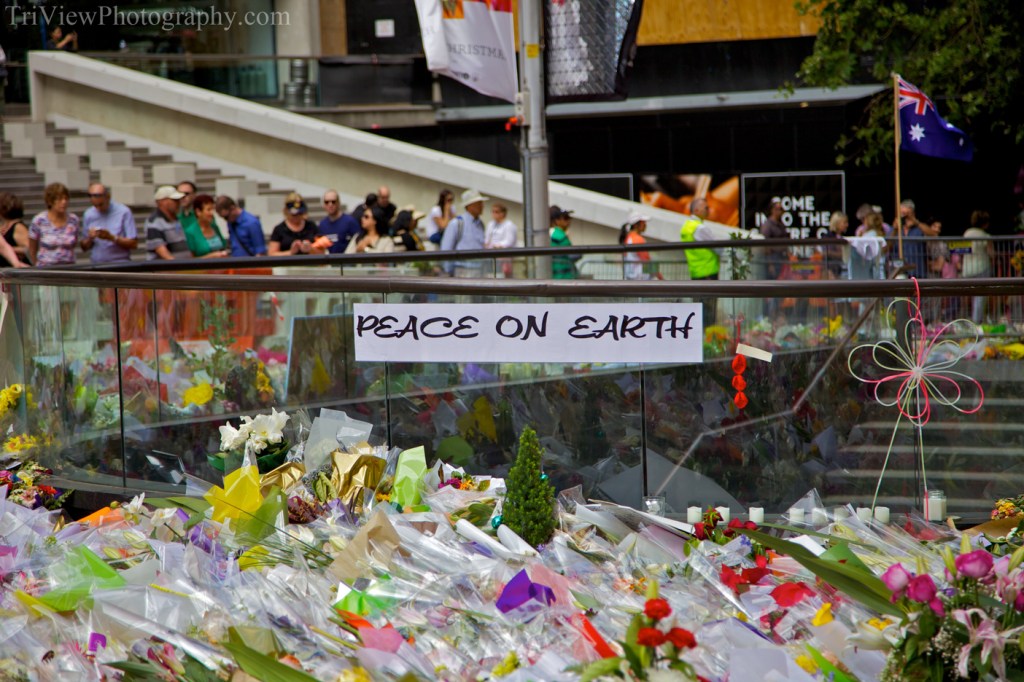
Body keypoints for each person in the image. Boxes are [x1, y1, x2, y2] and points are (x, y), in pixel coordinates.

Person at [80, 183, 138, 263]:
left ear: (107, 197)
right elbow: (84, 247)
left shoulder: (124, 212)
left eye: (101, 204)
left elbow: (133, 244)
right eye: (95, 206)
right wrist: (90, 238)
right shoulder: (88, 214)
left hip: (120, 263)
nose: (98, 208)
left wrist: (111, 237)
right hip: (97, 264)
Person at [28, 182, 80, 266]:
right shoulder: (39, 220)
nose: (64, 202)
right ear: (50, 201)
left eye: (66, 199)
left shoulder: (73, 220)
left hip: (69, 267)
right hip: (46, 268)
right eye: (59, 199)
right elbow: (32, 248)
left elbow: (74, 243)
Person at [440, 189, 488, 276]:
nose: (482, 206)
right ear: (470, 206)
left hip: (479, 270)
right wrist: (448, 272)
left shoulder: (481, 224)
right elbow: (446, 249)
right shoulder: (457, 223)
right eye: (479, 203)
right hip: (462, 270)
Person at [963, 210, 995, 323]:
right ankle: (976, 321)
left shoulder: (967, 233)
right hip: (982, 267)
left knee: (971, 296)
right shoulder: (985, 236)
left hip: (967, 268)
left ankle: (972, 320)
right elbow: (991, 253)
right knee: (980, 296)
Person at [146, 185, 190, 260]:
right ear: (162, 202)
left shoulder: (176, 219)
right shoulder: (154, 222)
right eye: (175, 200)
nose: (178, 203)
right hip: (167, 269)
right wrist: (178, 266)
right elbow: (162, 251)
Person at [680, 198, 719, 280]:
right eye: (706, 208)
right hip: (708, 271)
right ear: (696, 210)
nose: (708, 210)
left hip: (695, 272)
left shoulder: (686, 227)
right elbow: (717, 246)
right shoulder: (700, 228)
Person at [184, 194, 229, 258]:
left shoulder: (214, 227)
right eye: (208, 210)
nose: (212, 213)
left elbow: (224, 247)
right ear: (198, 212)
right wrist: (211, 256)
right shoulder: (190, 232)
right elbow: (191, 260)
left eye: (213, 209)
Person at [619, 209, 660, 280]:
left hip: (631, 278)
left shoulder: (627, 238)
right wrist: (661, 278)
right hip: (640, 279)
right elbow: (647, 260)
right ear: (636, 225)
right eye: (643, 222)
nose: (645, 225)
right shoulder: (638, 239)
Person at [318, 190, 360, 254]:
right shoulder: (322, 225)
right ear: (324, 205)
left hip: (347, 260)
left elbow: (358, 242)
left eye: (333, 202)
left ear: (338, 203)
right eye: (327, 202)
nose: (330, 204)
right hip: (328, 261)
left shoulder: (350, 221)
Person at [485, 202, 517, 277]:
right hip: (491, 257)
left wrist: (496, 246)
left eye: (496, 212)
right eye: (493, 212)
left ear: (503, 213)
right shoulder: (491, 224)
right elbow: (487, 239)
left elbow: (509, 241)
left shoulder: (509, 225)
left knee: (503, 277)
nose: (494, 214)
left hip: (504, 258)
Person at [758, 199, 788, 279]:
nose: (780, 211)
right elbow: (765, 245)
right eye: (778, 209)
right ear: (772, 210)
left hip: (782, 257)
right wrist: (770, 264)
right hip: (773, 258)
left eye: (781, 209)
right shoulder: (768, 225)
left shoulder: (781, 224)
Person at [0, 193, 30, 268]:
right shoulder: (4, 227)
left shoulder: (18, 227)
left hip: (14, 271)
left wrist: (12, 250)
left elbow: (29, 249)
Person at [549, 205, 579, 280]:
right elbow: (573, 255)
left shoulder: (552, 233)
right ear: (557, 220)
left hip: (556, 275)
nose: (569, 221)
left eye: (569, 218)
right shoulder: (559, 235)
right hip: (564, 276)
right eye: (565, 218)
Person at [819, 211, 849, 278]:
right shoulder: (828, 238)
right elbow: (826, 253)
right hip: (831, 271)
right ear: (837, 223)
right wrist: (842, 254)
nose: (847, 225)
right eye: (844, 223)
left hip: (843, 271)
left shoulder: (843, 238)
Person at [176, 181, 200, 246]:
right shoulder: (175, 216)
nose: (183, 196)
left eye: (186, 193)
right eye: (180, 194)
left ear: (194, 195)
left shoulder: (201, 214)